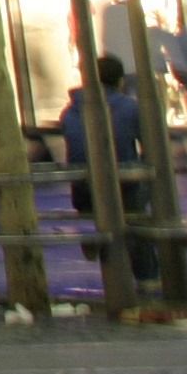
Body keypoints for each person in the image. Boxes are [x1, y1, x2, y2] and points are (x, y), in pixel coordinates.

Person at [59, 53, 157, 282]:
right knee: (139, 206)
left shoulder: (69, 112)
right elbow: (152, 149)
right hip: (123, 187)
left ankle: (99, 245)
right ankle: (148, 279)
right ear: (120, 81)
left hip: (84, 192)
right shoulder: (129, 107)